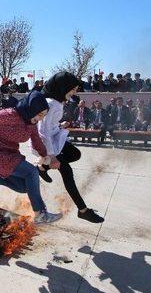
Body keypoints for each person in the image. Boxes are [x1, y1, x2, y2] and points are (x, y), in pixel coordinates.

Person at [0, 91, 62, 224]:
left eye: (43, 116)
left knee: (26, 187)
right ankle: (41, 214)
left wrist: (47, 156)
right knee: (32, 171)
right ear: (31, 108)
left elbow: (37, 142)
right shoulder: (11, 114)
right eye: (40, 114)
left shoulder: (31, 124)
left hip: (12, 155)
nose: (41, 118)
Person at [35, 72, 104, 223]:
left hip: (54, 138)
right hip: (48, 144)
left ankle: (41, 168)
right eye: (72, 90)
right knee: (67, 171)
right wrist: (51, 157)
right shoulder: (51, 103)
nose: (73, 93)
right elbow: (42, 131)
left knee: (75, 153)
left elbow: (49, 125)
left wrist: (60, 125)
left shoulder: (56, 101)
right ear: (62, 87)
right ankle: (83, 210)